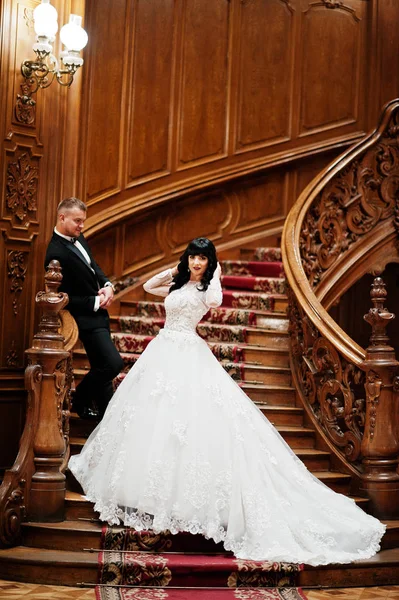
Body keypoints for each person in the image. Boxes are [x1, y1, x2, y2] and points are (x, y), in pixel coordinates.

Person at [69, 237, 385, 565]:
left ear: (209, 262)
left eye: (202, 259)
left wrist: (215, 273)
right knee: (153, 422)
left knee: (188, 425)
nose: (195, 263)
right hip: (163, 350)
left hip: (188, 350)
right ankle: (145, 494)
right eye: (192, 257)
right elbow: (149, 286)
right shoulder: (179, 284)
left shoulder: (207, 290)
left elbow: (217, 300)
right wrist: (174, 271)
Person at [45, 197, 124, 419]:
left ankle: (104, 422)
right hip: (85, 319)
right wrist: (96, 302)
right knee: (112, 364)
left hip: (100, 314)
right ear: (62, 217)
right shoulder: (55, 253)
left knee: (103, 369)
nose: (82, 226)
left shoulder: (77, 236)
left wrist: (107, 285)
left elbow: (92, 265)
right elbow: (62, 296)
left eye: (83, 221)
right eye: (77, 221)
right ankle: (79, 397)